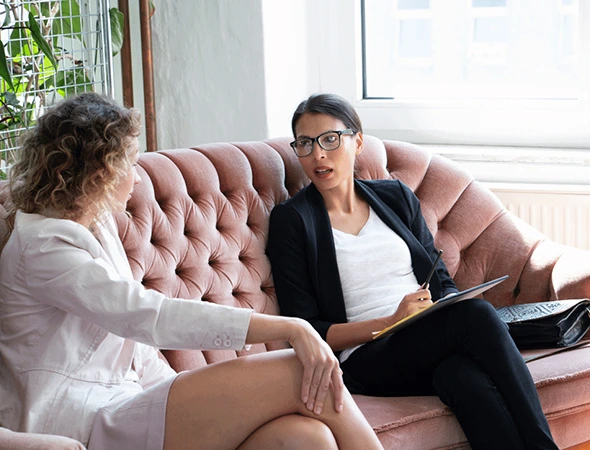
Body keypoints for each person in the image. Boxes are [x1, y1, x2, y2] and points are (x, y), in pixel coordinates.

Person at [0, 92, 384, 450]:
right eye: (129, 164)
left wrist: (188, 399)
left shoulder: (95, 223)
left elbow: (137, 351)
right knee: (301, 370)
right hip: (80, 419)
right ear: (97, 171)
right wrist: (291, 327)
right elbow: (147, 315)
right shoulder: (44, 246)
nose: (137, 177)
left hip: (127, 400)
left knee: (306, 438)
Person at [266, 92, 559, 450]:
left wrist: (443, 304)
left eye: (330, 139)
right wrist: (392, 321)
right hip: (364, 358)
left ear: (357, 142)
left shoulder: (395, 197)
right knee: (477, 315)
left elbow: (441, 281)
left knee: (460, 377)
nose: (318, 155)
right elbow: (308, 329)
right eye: (305, 144)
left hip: (423, 339)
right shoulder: (292, 220)